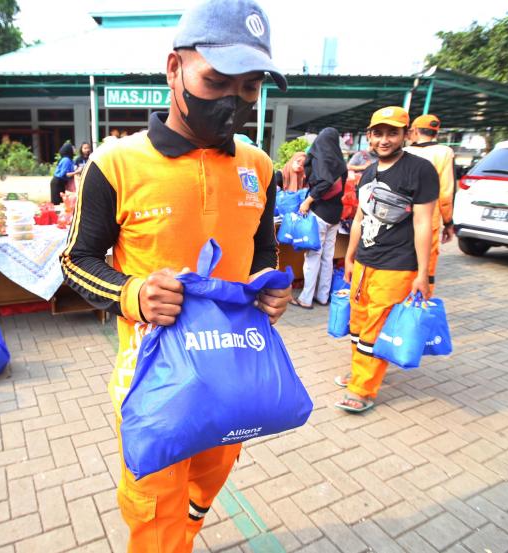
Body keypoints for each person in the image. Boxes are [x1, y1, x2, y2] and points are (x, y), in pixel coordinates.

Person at [60, 0, 290, 550]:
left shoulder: (258, 168)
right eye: (217, 80)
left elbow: (264, 251)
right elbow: (75, 261)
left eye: (251, 87)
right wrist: (133, 293)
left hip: (234, 371)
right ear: (173, 69)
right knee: (154, 508)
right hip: (155, 379)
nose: (234, 102)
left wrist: (271, 286)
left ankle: (187, 528)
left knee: (210, 476)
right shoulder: (116, 164)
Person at [335, 106, 438, 413]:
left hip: (398, 264)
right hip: (365, 262)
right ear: (369, 136)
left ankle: (363, 389)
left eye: (392, 132)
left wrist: (424, 272)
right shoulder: (369, 171)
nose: (384, 140)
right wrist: (349, 258)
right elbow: (358, 219)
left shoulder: (420, 170)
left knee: (375, 327)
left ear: (407, 134)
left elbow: (424, 224)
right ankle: (359, 371)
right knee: (358, 323)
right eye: (378, 133)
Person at [291, 127, 347, 309]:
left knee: (313, 256)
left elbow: (325, 182)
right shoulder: (340, 161)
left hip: (320, 213)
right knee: (327, 257)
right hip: (335, 215)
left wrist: (307, 201)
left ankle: (306, 299)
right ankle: (323, 296)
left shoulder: (321, 159)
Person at [405, 114, 456, 292]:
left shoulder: (406, 152)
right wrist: (448, 222)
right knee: (425, 268)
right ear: (436, 132)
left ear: (416, 131)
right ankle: (419, 304)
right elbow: (446, 193)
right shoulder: (444, 153)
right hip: (429, 219)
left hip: (403, 216)